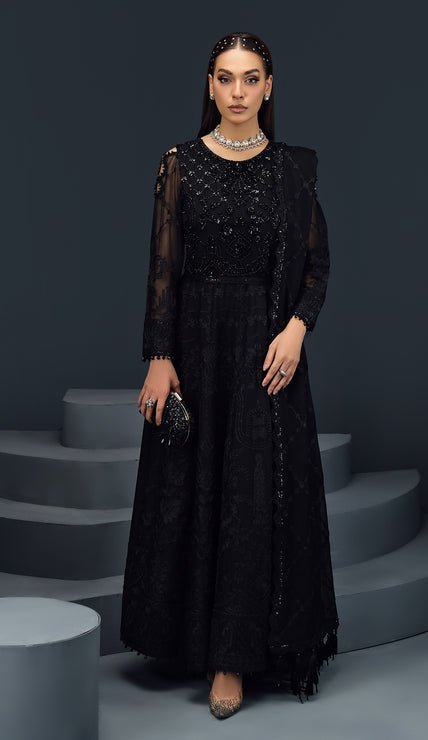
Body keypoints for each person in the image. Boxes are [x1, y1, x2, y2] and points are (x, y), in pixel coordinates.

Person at [120, 30, 340, 720]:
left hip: (264, 348)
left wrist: (296, 330)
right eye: (225, 78)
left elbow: (317, 266)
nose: (237, 92)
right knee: (194, 489)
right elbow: (162, 269)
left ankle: (232, 658)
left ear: (269, 88)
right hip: (195, 344)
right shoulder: (179, 163)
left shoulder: (292, 169)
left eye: (250, 79)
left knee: (249, 495)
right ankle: (193, 639)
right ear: (209, 86)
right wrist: (159, 356)